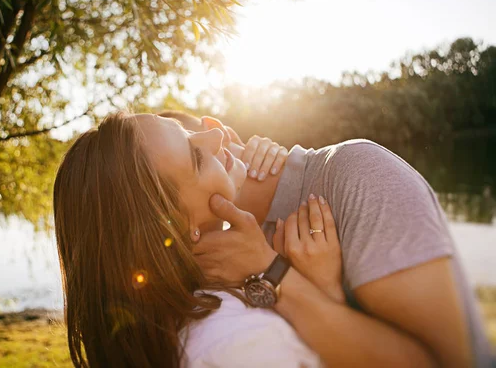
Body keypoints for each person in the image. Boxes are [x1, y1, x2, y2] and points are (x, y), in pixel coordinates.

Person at [162, 110, 492, 368]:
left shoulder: (361, 176)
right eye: (192, 154)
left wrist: (273, 273)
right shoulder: (228, 257)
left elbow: (449, 363)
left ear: (223, 130)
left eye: (192, 133)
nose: (212, 137)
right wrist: (326, 292)